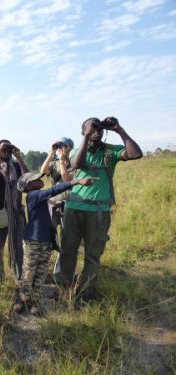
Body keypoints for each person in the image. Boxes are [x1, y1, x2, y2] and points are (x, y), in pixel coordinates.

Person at [60, 117, 142, 306]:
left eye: (99, 127)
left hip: (98, 211)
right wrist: (87, 135)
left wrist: (119, 129)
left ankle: (86, 291)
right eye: (92, 127)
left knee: (93, 253)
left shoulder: (110, 151)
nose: (97, 130)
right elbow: (77, 164)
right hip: (74, 208)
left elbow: (136, 154)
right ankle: (65, 287)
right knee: (68, 250)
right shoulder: (77, 151)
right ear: (83, 132)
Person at [14, 172, 97, 316]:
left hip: (46, 240)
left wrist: (57, 204)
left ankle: (35, 301)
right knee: (29, 271)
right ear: (28, 186)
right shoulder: (33, 195)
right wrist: (76, 181)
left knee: (41, 272)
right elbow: (53, 191)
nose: (40, 180)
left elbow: (49, 202)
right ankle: (23, 299)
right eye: (35, 179)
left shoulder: (39, 197)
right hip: (33, 240)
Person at [0, 140, 29, 286]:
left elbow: (28, 178)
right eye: (3, 148)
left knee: (18, 246)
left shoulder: (16, 166)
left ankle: (18, 277)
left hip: (16, 212)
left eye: (9, 148)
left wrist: (19, 157)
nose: (7, 151)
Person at [39, 137, 74, 280]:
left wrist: (62, 160)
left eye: (63, 146)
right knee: (47, 238)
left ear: (70, 148)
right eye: (59, 146)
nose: (61, 148)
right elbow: (43, 170)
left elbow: (66, 179)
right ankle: (42, 270)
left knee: (65, 239)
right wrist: (51, 153)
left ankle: (59, 272)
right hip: (53, 205)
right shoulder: (53, 163)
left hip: (68, 204)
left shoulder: (74, 163)